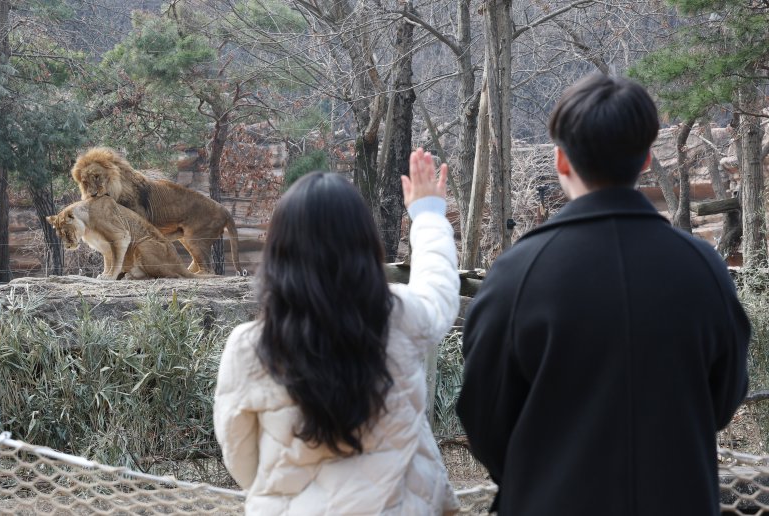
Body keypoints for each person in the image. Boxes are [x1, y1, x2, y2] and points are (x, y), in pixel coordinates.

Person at [456, 74, 750, 516]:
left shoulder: (517, 275)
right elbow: (724, 397)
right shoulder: (703, 268)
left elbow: (483, 415)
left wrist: (535, 477)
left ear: (561, 160)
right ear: (647, 159)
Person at [214, 149, 461, 515]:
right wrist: (427, 216)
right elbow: (438, 288)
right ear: (366, 244)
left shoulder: (249, 347)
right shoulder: (401, 317)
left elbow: (240, 457)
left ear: (278, 252)